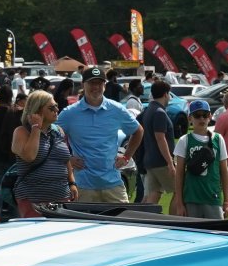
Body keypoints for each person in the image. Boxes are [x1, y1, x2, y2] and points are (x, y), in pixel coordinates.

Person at [58, 66, 142, 205]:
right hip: (82, 186)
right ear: (83, 85)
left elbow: (138, 131)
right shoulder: (69, 113)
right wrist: (67, 158)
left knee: (123, 218)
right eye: (92, 83)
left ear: (104, 85)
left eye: (99, 83)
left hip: (113, 183)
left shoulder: (116, 109)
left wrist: (127, 157)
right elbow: (52, 138)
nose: (96, 87)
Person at [9, 90, 76, 217]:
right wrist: (36, 128)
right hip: (33, 200)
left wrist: (72, 183)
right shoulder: (21, 132)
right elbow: (29, 156)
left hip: (61, 196)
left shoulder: (58, 131)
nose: (57, 110)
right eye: (51, 108)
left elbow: (65, 160)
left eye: (56, 106)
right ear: (37, 110)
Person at [171, 99, 228, 219]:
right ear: (190, 118)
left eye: (205, 115)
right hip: (191, 198)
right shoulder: (185, 140)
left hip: (213, 197)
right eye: (197, 116)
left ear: (210, 116)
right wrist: (179, 203)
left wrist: (227, 201)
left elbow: (224, 171)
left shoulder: (218, 139)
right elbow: (179, 174)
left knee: (215, 230)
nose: (202, 119)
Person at [136, 79, 177, 208]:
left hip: (150, 160)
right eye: (169, 94)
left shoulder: (148, 110)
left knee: (153, 194)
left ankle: (145, 219)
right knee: (179, 191)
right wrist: (170, 162)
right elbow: (160, 138)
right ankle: (174, 218)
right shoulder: (159, 112)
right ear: (165, 94)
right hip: (161, 162)